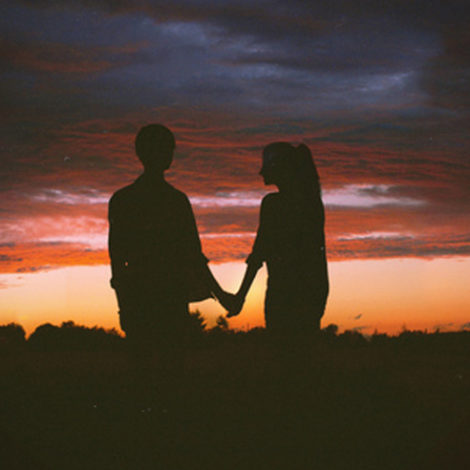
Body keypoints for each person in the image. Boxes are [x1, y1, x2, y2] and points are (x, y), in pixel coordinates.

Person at [108, 124, 234, 353]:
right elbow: (194, 256)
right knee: (168, 363)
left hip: (142, 298)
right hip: (168, 297)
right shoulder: (175, 201)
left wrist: (124, 306)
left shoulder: (123, 200)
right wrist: (221, 294)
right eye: (166, 148)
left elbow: (117, 261)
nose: (169, 154)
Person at [227, 142, 329, 335]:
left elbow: (258, 254)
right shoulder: (312, 203)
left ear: (279, 168)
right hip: (311, 295)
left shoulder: (273, 205)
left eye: (266, 166)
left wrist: (241, 296)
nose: (261, 172)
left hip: (282, 294)